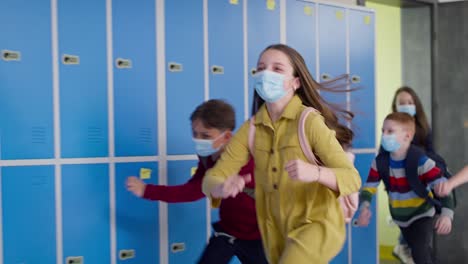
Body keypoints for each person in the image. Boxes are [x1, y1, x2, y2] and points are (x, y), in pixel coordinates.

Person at [201, 44, 361, 264]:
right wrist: (220, 186)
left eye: (277, 69)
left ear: (295, 82)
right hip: (276, 231)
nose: (267, 73)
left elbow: (352, 179)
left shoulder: (309, 122)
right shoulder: (252, 129)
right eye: (261, 68)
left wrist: (315, 173)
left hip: (317, 225)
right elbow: (211, 178)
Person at [126, 99, 268, 264]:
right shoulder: (207, 156)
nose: (198, 139)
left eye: (206, 135)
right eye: (195, 133)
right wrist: (146, 190)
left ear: (227, 136)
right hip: (228, 232)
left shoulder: (246, 157)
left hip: (259, 236)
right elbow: (193, 189)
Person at [357, 112, 454, 264]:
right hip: (401, 218)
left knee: (419, 251)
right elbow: (369, 188)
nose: (384, 135)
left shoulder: (421, 161)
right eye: (383, 131)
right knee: (422, 251)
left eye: (390, 131)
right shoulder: (380, 163)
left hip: (423, 213)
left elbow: (443, 185)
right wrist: (364, 207)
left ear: (407, 136)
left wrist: (447, 214)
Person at [390, 86, 435, 263]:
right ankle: (403, 246)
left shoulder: (423, 126)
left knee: (421, 232)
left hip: (422, 184)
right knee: (412, 230)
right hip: (399, 186)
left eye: (410, 102)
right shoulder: (391, 128)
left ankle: (404, 247)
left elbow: (431, 152)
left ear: (416, 104)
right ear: (395, 106)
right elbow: (384, 157)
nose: (406, 105)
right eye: (402, 103)